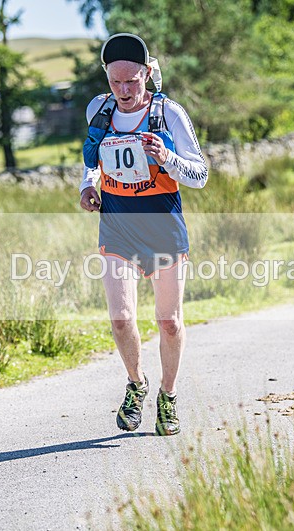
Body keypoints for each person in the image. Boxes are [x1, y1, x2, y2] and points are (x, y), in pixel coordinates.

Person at [79, 33, 208, 436]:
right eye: (115, 83)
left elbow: (200, 174)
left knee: (168, 321)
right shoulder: (98, 110)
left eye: (131, 82)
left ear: (147, 74)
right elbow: (93, 158)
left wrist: (167, 158)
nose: (123, 91)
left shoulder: (169, 113)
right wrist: (88, 184)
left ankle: (168, 397)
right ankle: (136, 384)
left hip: (162, 224)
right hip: (117, 222)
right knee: (120, 319)